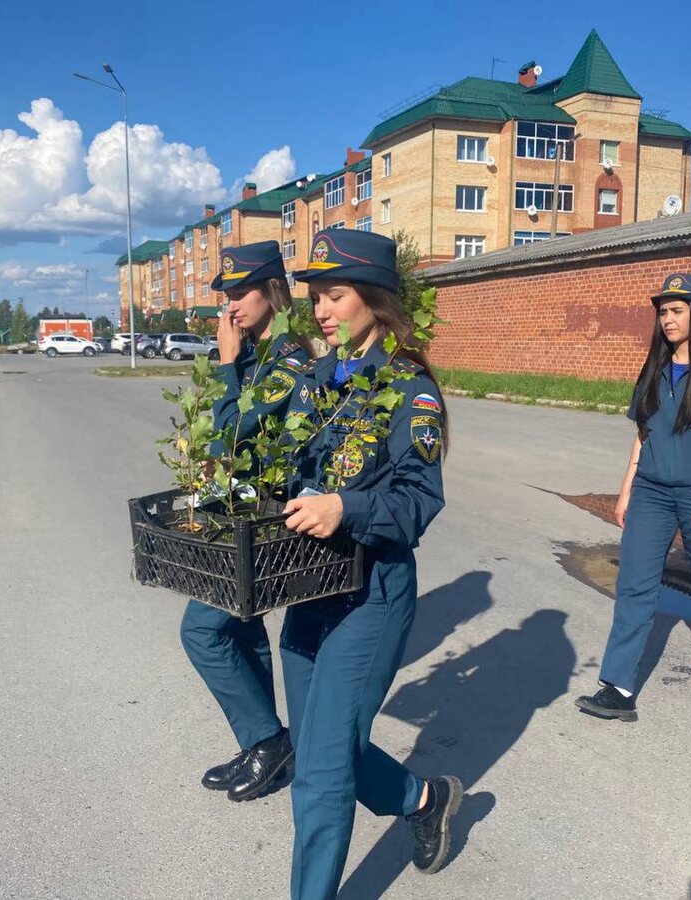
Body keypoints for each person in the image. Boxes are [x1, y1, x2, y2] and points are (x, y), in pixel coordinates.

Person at [279, 229, 463, 899]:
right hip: (307, 585)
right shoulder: (317, 379)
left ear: (374, 298)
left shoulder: (409, 387)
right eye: (316, 300)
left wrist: (345, 508)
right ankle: (423, 800)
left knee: (322, 774)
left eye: (335, 296)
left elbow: (418, 502)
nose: (321, 312)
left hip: (371, 593)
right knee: (321, 746)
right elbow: (283, 468)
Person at [576, 273, 691, 722]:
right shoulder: (654, 367)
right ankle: (618, 688)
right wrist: (626, 489)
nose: (667, 320)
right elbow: (643, 434)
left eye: (677, 311)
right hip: (652, 493)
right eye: (663, 312)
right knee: (634, 584)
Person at [179, 240, 311, 803]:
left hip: (268, 517)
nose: (230, 305)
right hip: (242, 511)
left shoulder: (289, 363)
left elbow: (234, 441)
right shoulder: (258, 356)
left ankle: (267, 741)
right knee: (241, 627)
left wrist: (227, 364)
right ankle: (261, 741)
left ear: (272, 292)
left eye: (241, 292)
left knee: (202, 631)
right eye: (226, 295)